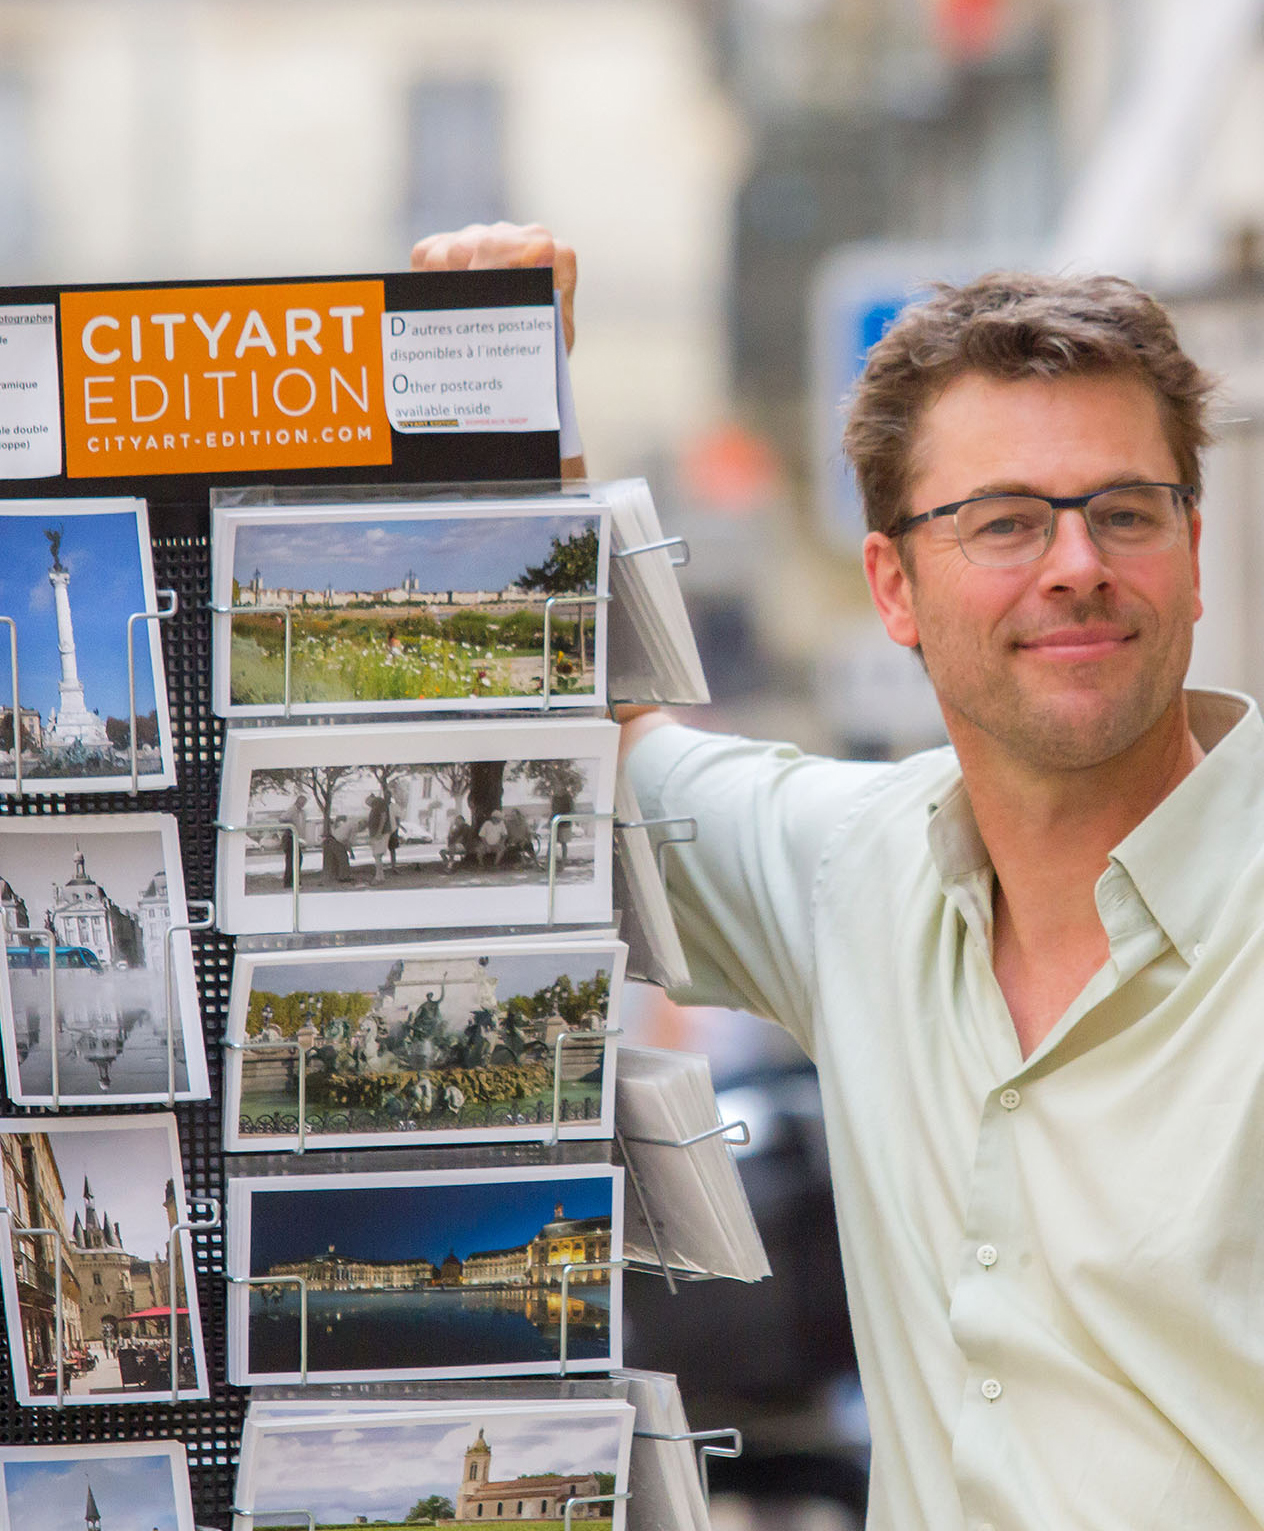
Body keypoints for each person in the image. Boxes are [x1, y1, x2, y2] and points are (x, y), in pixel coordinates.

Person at [414, 224, 1264, 1528]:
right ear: (895, 587)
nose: (1078, 563)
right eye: (1006, 523)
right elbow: (595, 739)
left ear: (1194, 556)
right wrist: (510, 386)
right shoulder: (855, 868)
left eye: (1127, 512)